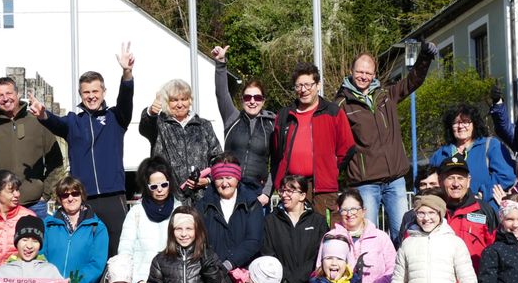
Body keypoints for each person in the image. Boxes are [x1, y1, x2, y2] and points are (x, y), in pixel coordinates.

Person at [34, 44, 136, 256]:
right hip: (84, 197)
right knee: (87, 249)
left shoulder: (117, 117)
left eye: (95, 91)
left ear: (103, 92)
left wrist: (127, 74)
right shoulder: (73, 122)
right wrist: (43, 115)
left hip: (113, 195)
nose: (91, 96)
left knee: (119, 248)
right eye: (86, 92)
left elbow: (126, 100)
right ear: (80, 94)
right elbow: (56, 123)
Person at [335, 43, 438, 238]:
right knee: (368, 238)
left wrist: (424, 57)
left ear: (374, 74)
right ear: (351, 71)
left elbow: (412, 81)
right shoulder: (341, 105)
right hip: (365, 183)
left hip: (395, 181)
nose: (364, 76)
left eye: (368, 72)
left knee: (403, 234)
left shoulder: (386, 96)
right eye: (359, 72)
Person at [0, 76, 63, 217]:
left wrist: (46, 193)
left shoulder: (38, 122)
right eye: (0, 95)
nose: (5, 98)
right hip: (1, 206)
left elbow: (56, 161)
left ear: (17, 94)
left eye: (9, 93)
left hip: (35, 205)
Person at [272, 63, 355, 219]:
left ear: (318, 85)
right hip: (293, 187)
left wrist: (330, 169)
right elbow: (277, 151)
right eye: (298, 86)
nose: (303, 90)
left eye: (308, 85)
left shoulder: (333, 112)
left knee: (325, 235)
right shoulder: (284, 115)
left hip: (323, 190)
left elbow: (347, 148)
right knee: (294, 235)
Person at [144, 207, 232, 283]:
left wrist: (210, 271)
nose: (184, 234)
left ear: (197, 230)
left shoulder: (209, 256)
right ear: (171, 231)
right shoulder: (161, 260)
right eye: (179, 229)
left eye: (189, 229)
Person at [138, 78, 221, 205]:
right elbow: (145, 127)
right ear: (167, 102)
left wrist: (208, 180)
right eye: (174, 100)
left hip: (202, 198)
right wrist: (151, 112)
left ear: (190, 100)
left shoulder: (204, 125)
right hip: (169, 198)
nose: (180, 104)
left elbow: (218, 158)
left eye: (184, 99)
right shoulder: (159, 125)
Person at [211, 45, 275, 203]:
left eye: (257, 98)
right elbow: (221, 93)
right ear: (242, 100)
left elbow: (277, 162)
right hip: (229, 189)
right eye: (248, 98)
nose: (252, 102)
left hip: (257, 193)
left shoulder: (272, 124)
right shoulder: (232, 117)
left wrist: (266, 193)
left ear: (263, 101)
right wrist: (220, 63)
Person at [428, 104, 515, 206]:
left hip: (483, 210)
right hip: (449, 213)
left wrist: (482, 193)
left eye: (466, 122)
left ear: (475, 124)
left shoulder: (491, 146)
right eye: (456, 123)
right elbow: (430, 182)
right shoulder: (440, 154)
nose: (461, 126)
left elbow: (506, 176)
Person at [330, 189, 396, 283]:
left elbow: (394, 270)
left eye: (354, 209)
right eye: (344, 210)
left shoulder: (381, 237)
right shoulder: (330, 238)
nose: (349, 214)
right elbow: (321, 270)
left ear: (363, 211)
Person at [261, 174, 328, 283]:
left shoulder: (318, 222)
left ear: (302, 195)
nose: (284, 195)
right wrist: (286, 279)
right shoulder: (270, 221)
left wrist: (301, 278)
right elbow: (268, 253)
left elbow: (321, 254)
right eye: (282, 190)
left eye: (290, 191)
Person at [116, 157, 175, 283]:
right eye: (154, 186)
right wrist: (137, 281)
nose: (159, 190)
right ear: (147, 187)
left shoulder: (179, 210)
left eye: (164, 185)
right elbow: (125, 251)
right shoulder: (136, 213)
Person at [198, 159, 264, 274]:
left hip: (245, 273)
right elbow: (200, 241)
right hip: (212, 273)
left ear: (237, 178)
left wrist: (229, 264)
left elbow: (254, 240)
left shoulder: (251, 203)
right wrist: (213, 267)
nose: (224, 183)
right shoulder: (203, 205)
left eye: (229, 178)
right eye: (219, 178)